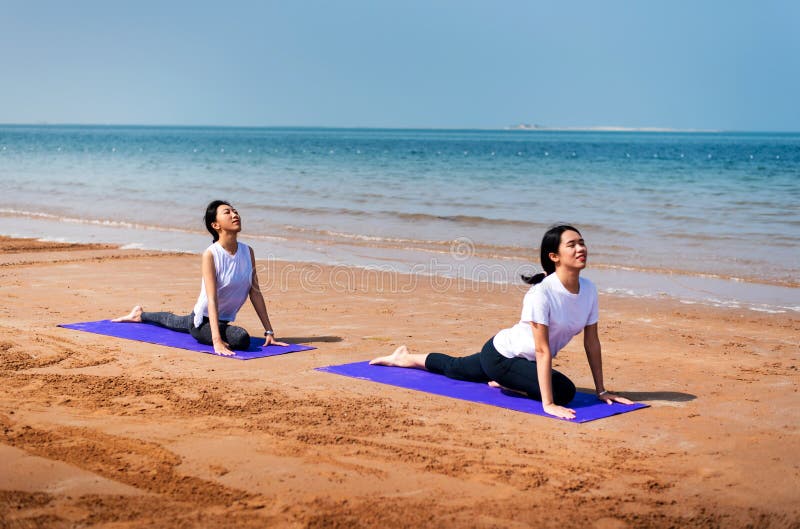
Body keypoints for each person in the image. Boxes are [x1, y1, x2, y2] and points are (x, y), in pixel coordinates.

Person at [370, 224, 634, 419]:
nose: (581, 248)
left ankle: (405, 357)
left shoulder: (588, 289)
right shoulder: (541, 293)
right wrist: (548, 404)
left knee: (456, 367)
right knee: (564, 390)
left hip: (519, 361)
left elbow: (592, 342)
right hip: (501, 355)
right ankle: (506, 380)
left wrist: (601, 391)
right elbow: (542, 349)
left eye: (582, 242)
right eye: (572, 244)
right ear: (554, 256)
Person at [113, 200, 288, 356]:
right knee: (240, 337)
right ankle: (140, 315)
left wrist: (269, 331)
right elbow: (212, 299)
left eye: (235, 211)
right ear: (216, 225)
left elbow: (255, 292)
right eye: (227, 212)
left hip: (222, 320)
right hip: (202, 321)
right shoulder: (211, 254)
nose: (235, 215)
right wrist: (216, 341)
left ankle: (140, 314)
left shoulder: (247, 251)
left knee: (174, 320)